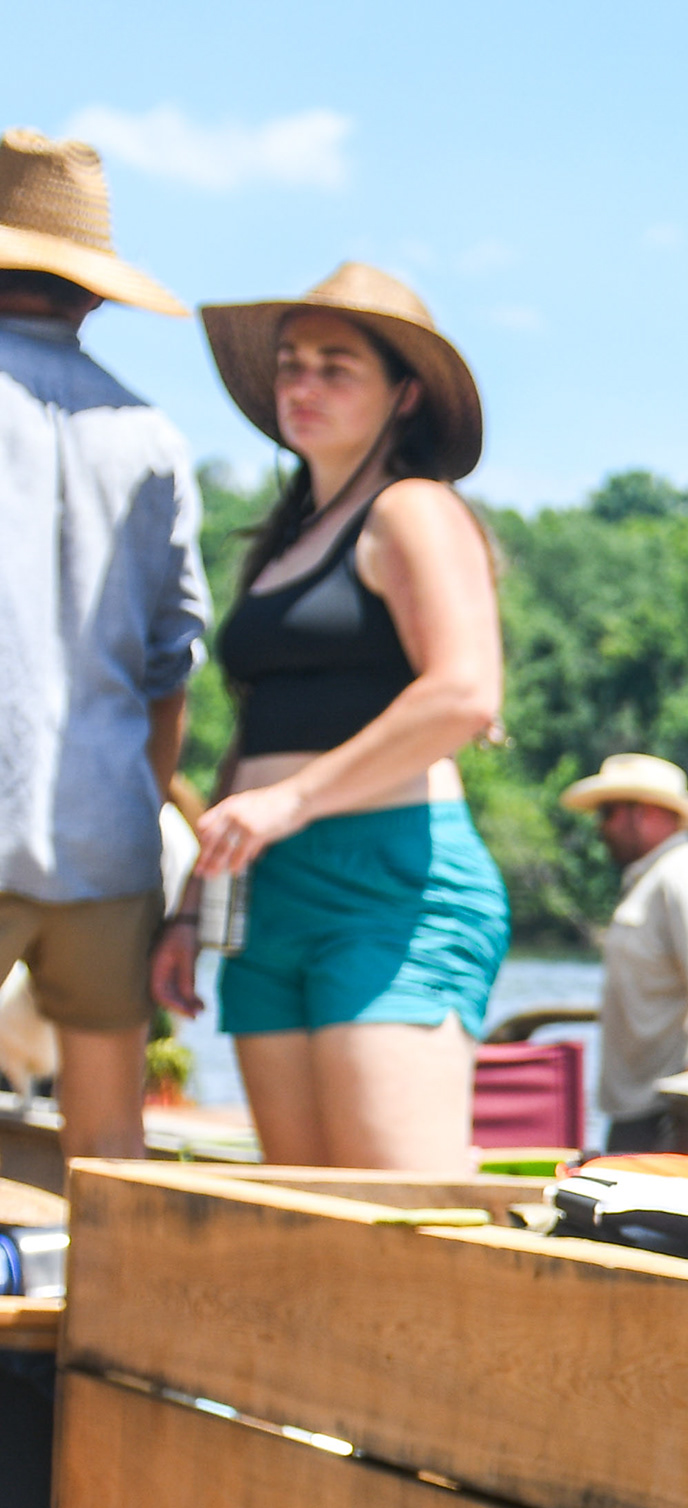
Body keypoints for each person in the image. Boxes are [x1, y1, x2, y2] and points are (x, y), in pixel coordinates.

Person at [157, 264, 508, 1169]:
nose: (302, 386)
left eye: (335, 366)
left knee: (390, 1227)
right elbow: (256, 733)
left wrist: (293, 802)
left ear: (405, 395)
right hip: (266, 894)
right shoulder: (280, 542)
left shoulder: (414, 512)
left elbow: (466, 692)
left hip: (390, 886)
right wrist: (194, 909)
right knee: (304, 1217)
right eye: (290, 364)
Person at [0, 130, 205, 1164]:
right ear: (94, 294)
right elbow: (174, 663)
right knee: (110, 1147)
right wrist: (143, 804)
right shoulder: (153, 436)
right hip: (109, 837)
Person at [562, 753, 688, 1153]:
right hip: (641, 1107)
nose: (600, 827)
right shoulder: (657, 875)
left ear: (640, 813)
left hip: (668, 1113)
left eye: (607, 812)